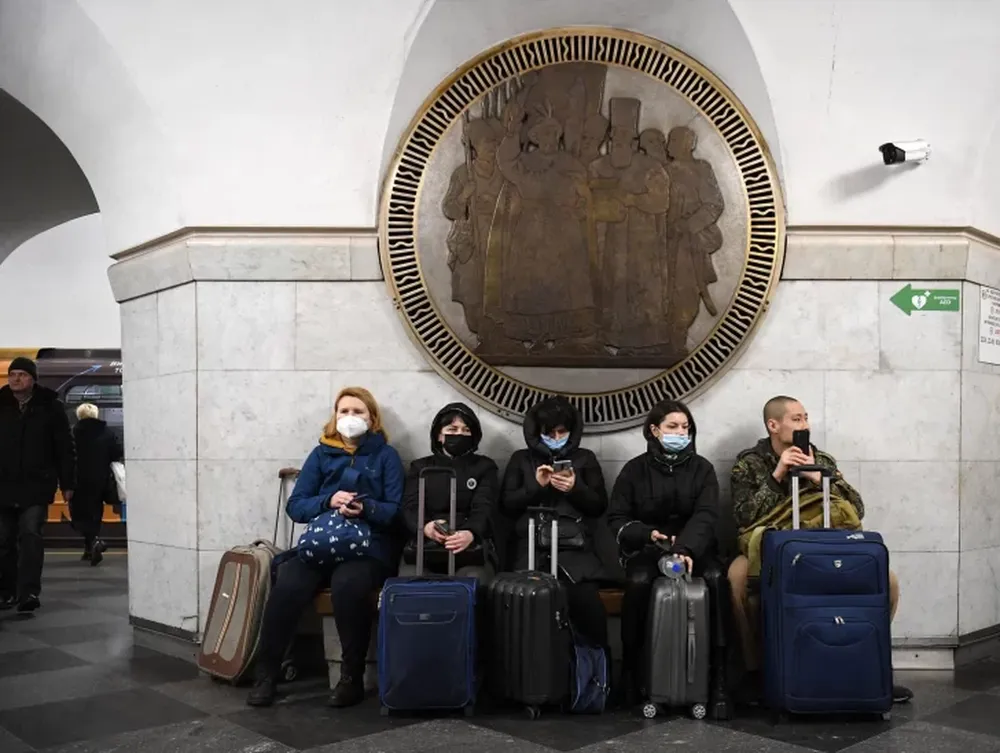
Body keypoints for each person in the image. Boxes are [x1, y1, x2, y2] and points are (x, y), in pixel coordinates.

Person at [727, 395, 913, 704]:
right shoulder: (749, 463)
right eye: (796, 419)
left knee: (888, 581)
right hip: (770, 548)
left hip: (821, 547)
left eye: (806, 418)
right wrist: (778, 475)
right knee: (736, 580)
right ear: (773, 425)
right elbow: (743, 516)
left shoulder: (822, 458)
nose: (805, 425)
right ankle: (756, 671)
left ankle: (869, 664)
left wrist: (818, 478)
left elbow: (855, 509)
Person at [247, 387, 404, 709]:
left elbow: (396, 511)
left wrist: (366, 508)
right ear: (334, 416)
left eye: (358, 411)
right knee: (288, 585)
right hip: (322, 545)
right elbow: (297, 506)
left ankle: (351, 678)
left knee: (349, 587)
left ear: (372, 418)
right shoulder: (321, 454)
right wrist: (328, 500)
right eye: (344, 411)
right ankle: (266, 675)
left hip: (367, 548)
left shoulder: (386, 456)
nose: (350, 417)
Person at [607, 399, 731, 717]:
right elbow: (617, 518)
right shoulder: (634, 470)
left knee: (717, 579)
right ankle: (632, 674)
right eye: (672, 426)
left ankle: (719, 679)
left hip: (695, 549)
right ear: (654, 430)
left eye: (685, 427)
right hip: (649, 549)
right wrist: (647, 534)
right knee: (638, 582)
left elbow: (706, 515)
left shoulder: (702, 468)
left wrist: (685, 548)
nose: (680, 433)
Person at [500, 396, 610, 661]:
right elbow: (506, 506)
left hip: (575, 554)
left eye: (562, 432)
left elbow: (599, 506)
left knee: (587, 605)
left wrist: (575, 489)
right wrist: (536, 486)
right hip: (530, 550)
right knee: (524, 604)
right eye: (549, 433)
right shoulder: (521, 459)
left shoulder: (585, 459)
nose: (557, 438)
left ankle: (592, 674)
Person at [0, 357, 75, 612]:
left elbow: (65, 448)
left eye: (22, 374)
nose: (15, 379)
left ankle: (29, 592)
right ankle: (6, 591)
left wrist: (68, 482)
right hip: (4, 485)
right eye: (12, 374)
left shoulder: (51, 407)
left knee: (30, 534)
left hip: (36, 486)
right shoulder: (1, 404)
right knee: (4, 539)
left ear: (33, 379)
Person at [399, 402, 498, 586]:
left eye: (466, 430)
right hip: (426, 546)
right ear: (439, 435)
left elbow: (485, 506)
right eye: (452, 429)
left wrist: (470, 532)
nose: (459, 434)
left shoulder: (485, 467)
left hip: (469, 548)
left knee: (473, 584)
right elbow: (410, 506)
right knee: (411, 582)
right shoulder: (420, 467)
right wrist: (426, 527)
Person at [71, 403, 122, 566]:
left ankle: (92, 543)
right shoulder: (107, 432)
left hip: (77, 480)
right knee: (95, 512)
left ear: (79, 415)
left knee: (79, 513)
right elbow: (116, 453)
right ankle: (91, 545)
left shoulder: (73, 432)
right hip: (100, 479)